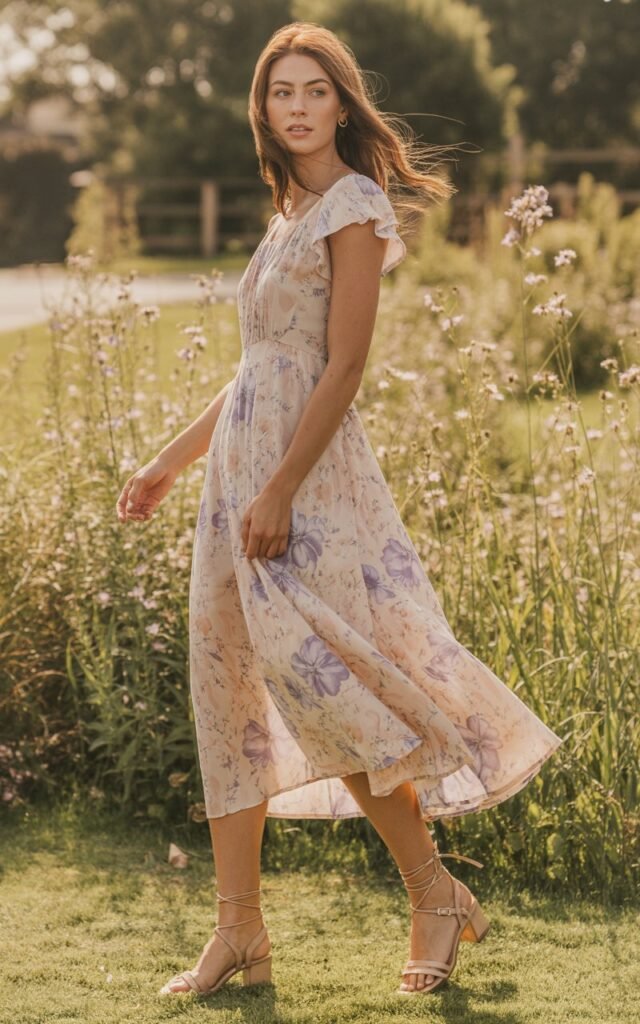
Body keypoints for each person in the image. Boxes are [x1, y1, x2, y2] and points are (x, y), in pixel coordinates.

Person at [116, 21, 563, 999]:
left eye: (314, 90)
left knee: (326, 686)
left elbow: (344, 365)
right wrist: (167, 463)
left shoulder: (355, 206)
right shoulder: (288, 213)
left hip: (303, 488)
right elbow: (256, 371)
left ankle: (434, 891)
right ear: (263, 110)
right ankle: (238, 929)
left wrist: (279, 489)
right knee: (227, 690)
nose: (297, 106)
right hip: (234, 486)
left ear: (341, 103)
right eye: (282, 91)